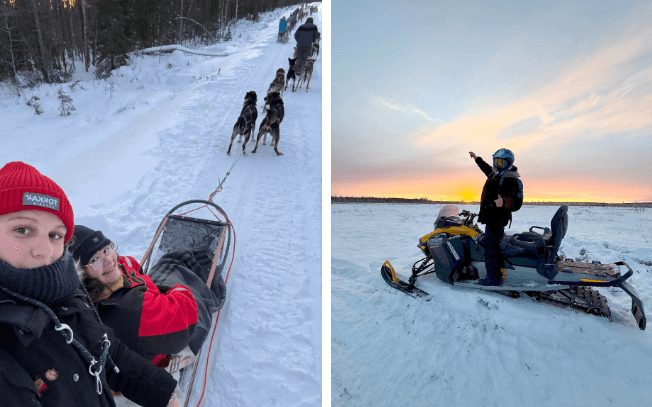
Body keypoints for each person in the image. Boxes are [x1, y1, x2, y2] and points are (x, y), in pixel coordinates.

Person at [0, 161, 181, 406]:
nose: (44, 251)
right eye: (22, 229)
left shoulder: (67, 290)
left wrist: (161, 393)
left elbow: (106, 350)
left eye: (55, 235)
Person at [69, 225, 199, 366]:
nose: (110, 261)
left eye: (107, 249)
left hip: (145, 318)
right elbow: (185, 316)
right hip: (151, 359)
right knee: (190, 282)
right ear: (80, 274)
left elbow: (127, 263)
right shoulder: (132, 308)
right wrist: (178, 290)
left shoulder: (94, 287)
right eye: (95, 260)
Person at [469, 149, 523, 286]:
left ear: (508, 163)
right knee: (492, 243)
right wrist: (477, 158)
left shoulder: (510, 179)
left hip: (497, 219)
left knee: (490, 247)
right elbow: (485, 168)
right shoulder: (496, 175)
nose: (497, 165)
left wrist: (504, 202)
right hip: (492, 218)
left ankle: (494, 278)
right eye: (495, 161)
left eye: (500, 162)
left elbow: (515, 201)